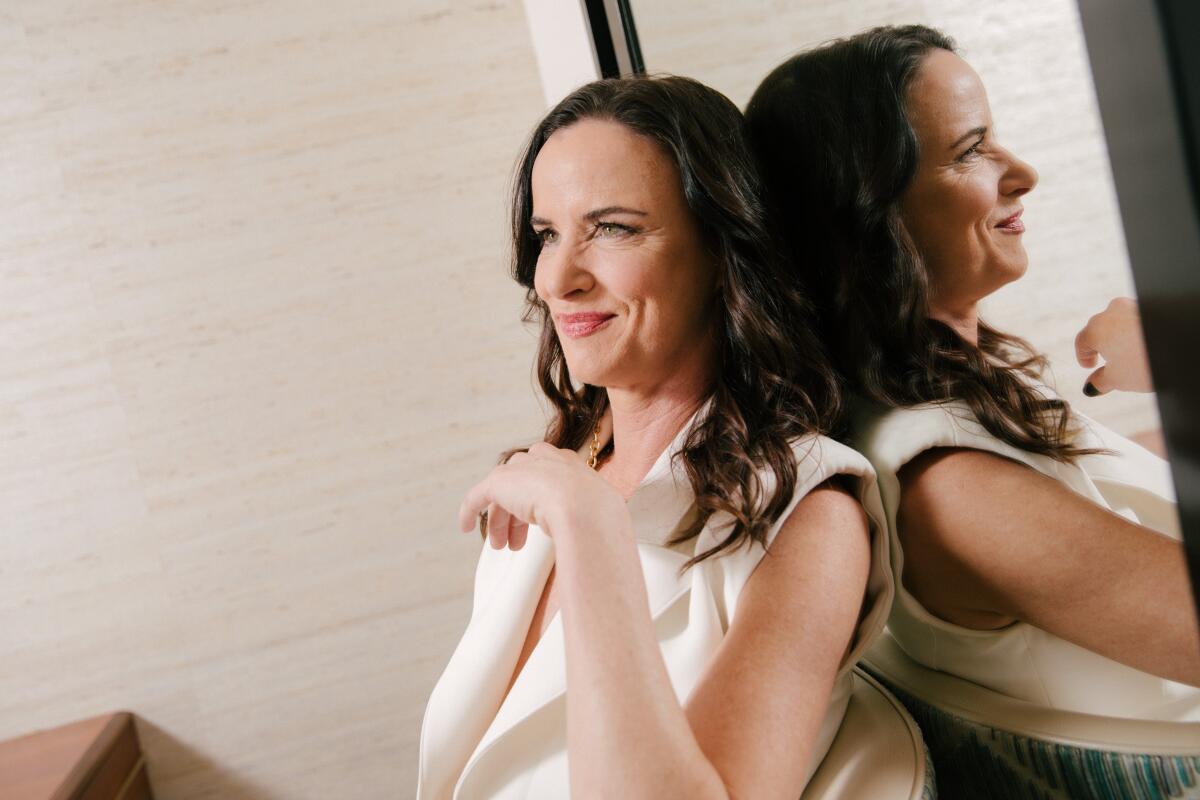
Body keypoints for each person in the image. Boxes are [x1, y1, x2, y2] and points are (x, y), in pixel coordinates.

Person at [416, 76, 894, 799]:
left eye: (612, 228)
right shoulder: (555, 470)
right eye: (548, 233)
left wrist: (592, 529)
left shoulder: (808, 516)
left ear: (721, 250)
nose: (557, 277)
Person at [745, 25, 1200, 721]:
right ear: (870, 218)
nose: (1021, 173)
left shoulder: (930, 401)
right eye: (971, 150)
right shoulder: (957, 488)